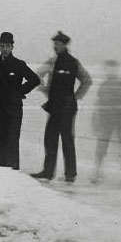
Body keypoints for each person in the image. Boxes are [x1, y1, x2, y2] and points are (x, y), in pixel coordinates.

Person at [31, 31, 93, 183]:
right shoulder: (52, 61)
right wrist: (46, 91)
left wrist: (75, 97)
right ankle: (48, 171)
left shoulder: (74, 62)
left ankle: (70, 174)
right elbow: (37, 75)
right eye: (55, 44)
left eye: (58, 44)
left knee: (67, 140)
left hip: (67, 108)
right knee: (50, 139)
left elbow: (87, 80)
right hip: (54, 107)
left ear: (65, 45)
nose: (55, 46)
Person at [0, 32, 41, 170]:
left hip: (13, 110)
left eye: (8, 46)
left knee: (12, 143)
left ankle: (14, 174)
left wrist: (19, 92)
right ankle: (3, 172)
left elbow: (34, 79)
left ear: (12, 47)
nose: (5, 49)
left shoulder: (18, 64)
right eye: (2, 46)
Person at [91, 59, 121, 185]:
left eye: (113, 68)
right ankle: (97, 173)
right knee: (101, 148)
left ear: (117, 70)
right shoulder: (103, 85)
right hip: (106, 121)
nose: (110, 71)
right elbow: (98, 104)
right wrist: (95, 119)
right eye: (108, 69)